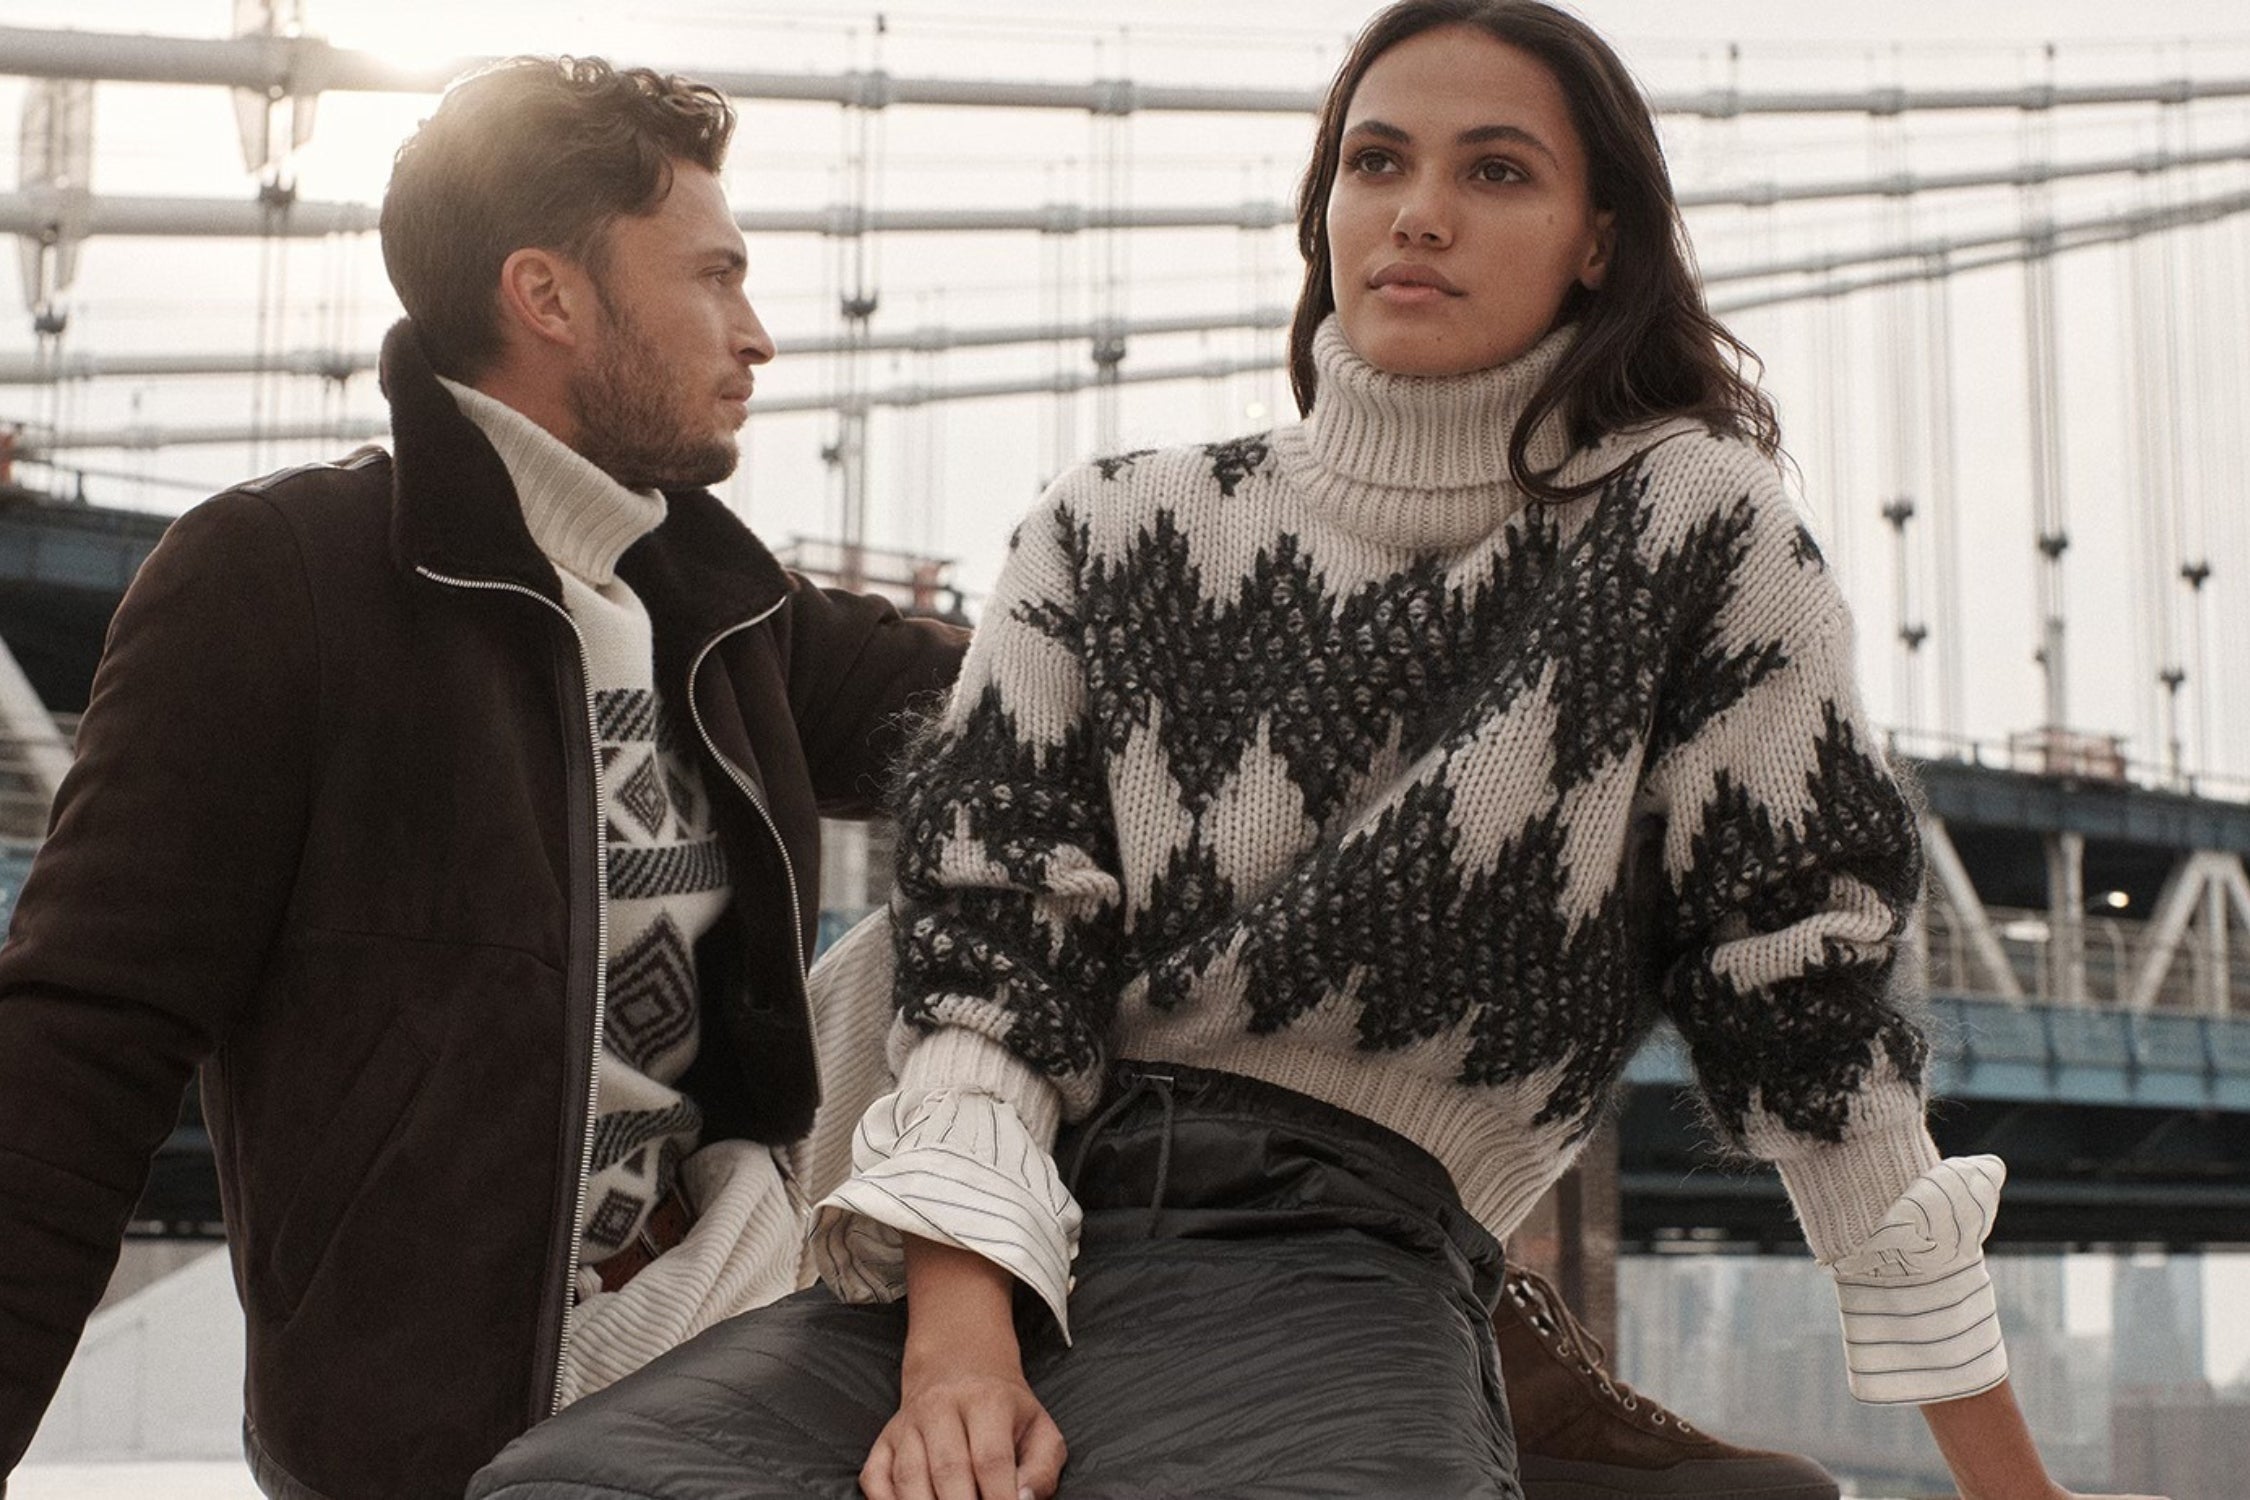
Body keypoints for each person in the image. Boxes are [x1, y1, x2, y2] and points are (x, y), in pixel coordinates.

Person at [469, 5, 2177, 1500]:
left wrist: (2008, 1485)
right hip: (1002, 1239)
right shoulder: (1107, 531)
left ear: (1600, 237)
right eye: (1375, 161)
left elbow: (1810, 1023)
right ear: (1326, 207)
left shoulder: (1689, 535)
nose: (1417, 212)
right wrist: (955, 1344)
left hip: (1343, 1248)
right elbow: (989, 983)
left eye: (1497, 171)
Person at [0, 57, 971, 1500]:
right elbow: (80, 1045)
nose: (758, 334)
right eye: (714, 276)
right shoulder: (281, 583)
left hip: (766, 1329)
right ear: (549, 296)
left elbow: (1042, 700)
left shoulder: (731, 603)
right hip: (475, 1435)